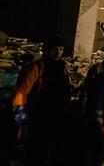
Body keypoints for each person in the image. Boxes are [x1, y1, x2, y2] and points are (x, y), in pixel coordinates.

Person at [12, 34, 71, 165]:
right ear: (47, 49)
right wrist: (21, 121)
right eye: (54, 49)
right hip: (38, 120)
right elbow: (20, 94)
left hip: (57, 120)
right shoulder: (36, 68)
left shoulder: (63, 68)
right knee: (36, 155)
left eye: (61, 49)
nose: (58, 52)